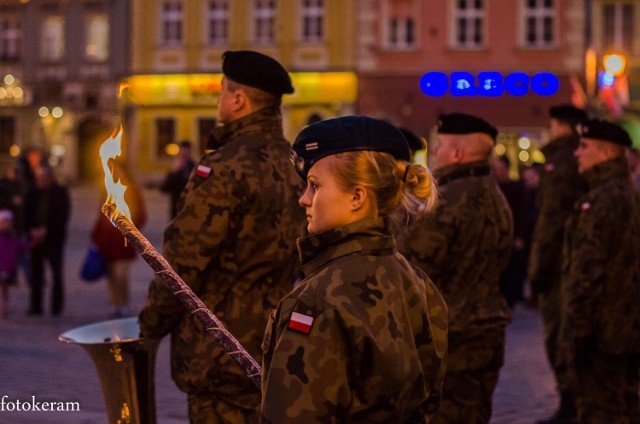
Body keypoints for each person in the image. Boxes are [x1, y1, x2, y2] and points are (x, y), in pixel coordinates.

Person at [139, 50, 306, 423]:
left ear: (238, 99)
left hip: (219, 351)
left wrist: (148, 329)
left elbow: (181, 268)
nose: (218, 99)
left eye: (221, 91)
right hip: (275, 344)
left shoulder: (223, 167)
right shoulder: (295, 166)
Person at [261, 116, 447, 423]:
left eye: (315, 185)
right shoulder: (417, 281)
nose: (303, 198)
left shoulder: (317, 300)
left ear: (357, 197)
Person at [399, 112, 513, 424]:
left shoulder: (447, 201)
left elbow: (412, 270)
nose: (434, 154)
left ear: (458, 153)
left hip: (450, 336)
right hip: (488, 331)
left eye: (440, 146)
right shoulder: (496, 197)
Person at [561, 119, 640, 423]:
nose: (577, 154)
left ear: (607, 154)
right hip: (627, 330)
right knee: (627, 406)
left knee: (600, 411)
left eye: (584, 147)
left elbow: (586, 277)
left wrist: (578, 335)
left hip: (602, 336)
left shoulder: (600, 201)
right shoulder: (629, 193)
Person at [529, 104, 587, 424]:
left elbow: (550, 223)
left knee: (559, 334)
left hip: (560, 266)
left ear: (561, 127)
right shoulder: (579, 158)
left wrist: (537, 273)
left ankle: (570, 404)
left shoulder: (560, 165)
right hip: (576, 260)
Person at [91, 162, 147, 318]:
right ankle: (116, 304)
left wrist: (131, 230)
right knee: (111, 274)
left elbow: (141, 214)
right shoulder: (107, 191)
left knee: (121, 274)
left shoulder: (133, 191)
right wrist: (96, 235)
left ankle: (124, 304)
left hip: (124, 240)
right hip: (108, 240)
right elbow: (101, 214)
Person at [24, 165, 71, 316]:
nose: (41, 180)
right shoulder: (32, 193)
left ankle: (56, 307)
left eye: (43, 177)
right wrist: (32, 230)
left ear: (51, 177)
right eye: (38, 177)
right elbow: (25, 214)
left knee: (56, 273)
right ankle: (35, 306)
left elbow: (63, 215)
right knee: (36, 273)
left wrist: (47, 230)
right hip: (35, 239)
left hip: (54, 239)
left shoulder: (60, 192)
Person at [492, 155, 526, 308]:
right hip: (496, 236)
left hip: (512, 234)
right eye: (496, 169)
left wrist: (520, 236)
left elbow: (522, 213)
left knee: (511, 269)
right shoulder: (493, 188)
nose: (498, 172)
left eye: (501, 169)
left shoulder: (517, 188)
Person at [0, 209, 36, 319]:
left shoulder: (14, 238)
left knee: (4, 289)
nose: (6, 225)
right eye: (3, 223)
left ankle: (3, 308)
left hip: (8, 269)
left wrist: (35, 240)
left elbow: (25, 248)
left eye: (8, 223)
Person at [160, 140, 196, 219]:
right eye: (182, 151)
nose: (184, 153)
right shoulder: (175, 167)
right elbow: (164, 188)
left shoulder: (195, 167)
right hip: (175, 210)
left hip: (191, 210)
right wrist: (173, 172)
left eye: (186, 151)